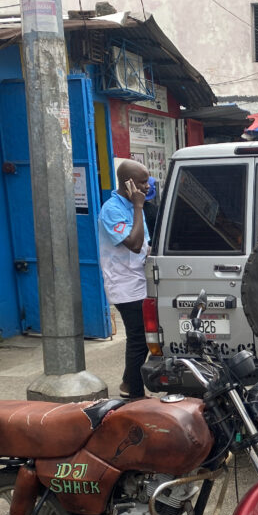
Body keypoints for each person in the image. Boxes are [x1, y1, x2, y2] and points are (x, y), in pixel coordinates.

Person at [99, 160, 152, 400]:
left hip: (139, 280)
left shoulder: (131, 205)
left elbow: (145, 246)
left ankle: (128, 381)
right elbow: (134, 244)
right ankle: (134, 392)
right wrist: (139, 206)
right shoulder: (112, 209)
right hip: (125, 285)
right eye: (142, 182)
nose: (147, 186)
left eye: (147, 181)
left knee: (144, 337)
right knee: (138, 339)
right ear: (128, 183)